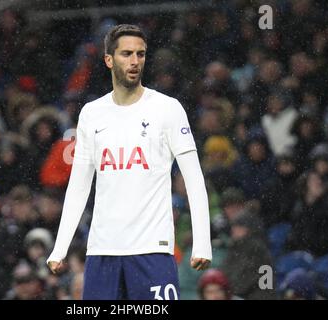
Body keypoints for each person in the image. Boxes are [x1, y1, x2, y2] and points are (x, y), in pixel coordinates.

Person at [47, 24, 212, 300]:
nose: (135, 61)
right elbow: (78, 185)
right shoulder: (92, 114)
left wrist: (202, 243)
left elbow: (194, 180)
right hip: (102, 253)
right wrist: (60, 247)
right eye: (126, 54)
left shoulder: (167, 109)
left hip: (153, 251)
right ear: (109, 60)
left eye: (140, 54)